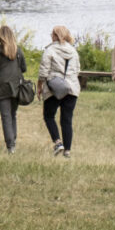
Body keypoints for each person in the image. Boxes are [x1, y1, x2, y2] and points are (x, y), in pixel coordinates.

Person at [39, 25, 81, 157]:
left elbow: (43, 71)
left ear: (54, 36)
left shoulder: (49, 50)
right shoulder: (73, 51)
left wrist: (40, 86)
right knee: (66, 119)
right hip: (71, 88)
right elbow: (77, 70)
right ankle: (67, 150)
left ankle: (58, 142)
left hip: (54, 88)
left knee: (49, 116)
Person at [0, 24, 26, 152]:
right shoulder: (18, 51)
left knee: (6, 116)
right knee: (13, 114)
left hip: (2, 87)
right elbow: (24, 68)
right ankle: (13, 141)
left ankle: (10, 146)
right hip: (16, 86)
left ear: (0, 38)